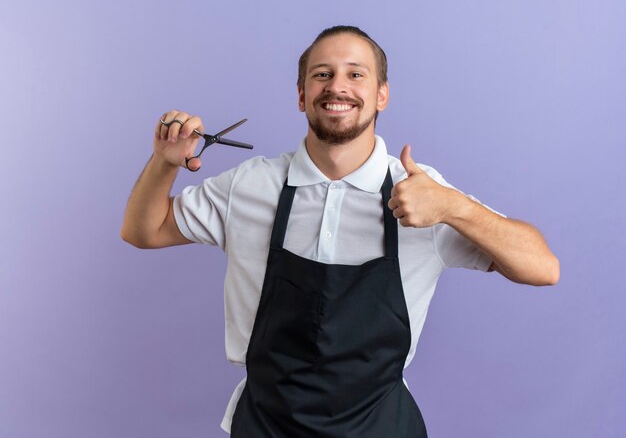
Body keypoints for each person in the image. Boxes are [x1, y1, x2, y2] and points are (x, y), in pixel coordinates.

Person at [121, 25, 559, 437]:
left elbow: (542, 267)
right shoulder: (250, 185)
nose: (337, 87)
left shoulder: (424, 195)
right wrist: (165, 161)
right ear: (301, 94)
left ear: (382, 94)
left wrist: (455, 208)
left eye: (356, 74)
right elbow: (145, 230)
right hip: (267, 425)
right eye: (322, 74)